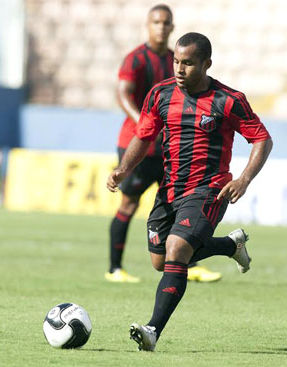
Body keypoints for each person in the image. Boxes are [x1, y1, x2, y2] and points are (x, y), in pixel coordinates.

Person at [107, 32, 273, 351]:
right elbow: (143, 136)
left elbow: (261, 138)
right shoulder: (161, 94)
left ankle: (153, 330)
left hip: (209, 190)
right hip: (169, 190)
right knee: (161, 262)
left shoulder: (229, 100)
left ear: (206, 64)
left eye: (188, 63)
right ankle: (229, 245)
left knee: (176, 250)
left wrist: (244, 179)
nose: (179, 69)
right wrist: (124, 168)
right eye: (176, 62)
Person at [106, 4, 221, 283]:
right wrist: (146, 123)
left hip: (171, 147)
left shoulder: (178, 58)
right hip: (139, 143)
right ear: (148, 25)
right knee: (129, 204)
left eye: (166, 23)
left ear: (171, 27)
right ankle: (115, 269)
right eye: (156, 22)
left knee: (179, 205)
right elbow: (123, 95)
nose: (161, 27)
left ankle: (186, 263)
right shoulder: (135, 59)